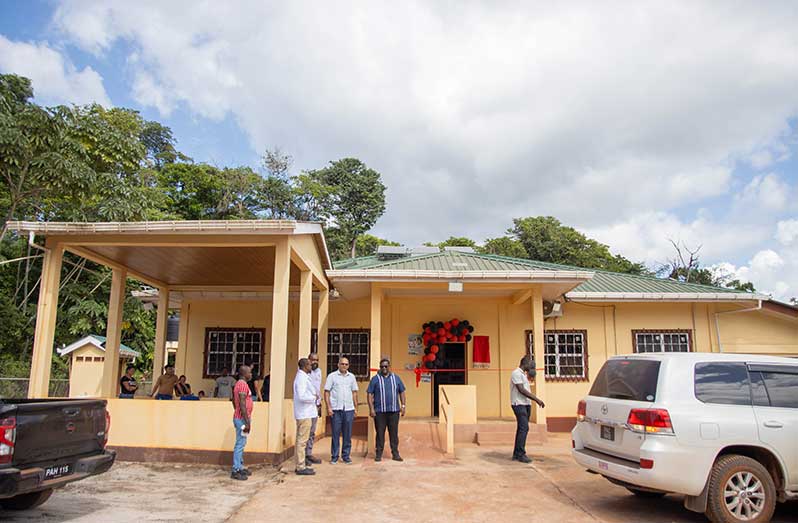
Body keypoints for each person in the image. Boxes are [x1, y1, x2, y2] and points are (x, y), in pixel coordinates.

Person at [367, 358, 407, 462]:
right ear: (380, 367)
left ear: (389, 367)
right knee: (380, 433)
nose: (384, 368)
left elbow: (402, 392)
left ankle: (395, 454)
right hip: (379, 412)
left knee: (393, 433)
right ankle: (379, 454)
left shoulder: (396, 378)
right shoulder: (375, 379)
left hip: (394, 412)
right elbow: (369, 394)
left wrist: (403, 406)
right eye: (382, 367)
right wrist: (371, 408)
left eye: (386, 366)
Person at [324, 357, 359, 464]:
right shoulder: (332, 376)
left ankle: (346, 456)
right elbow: (326, 392)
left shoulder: (351, 377)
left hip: (348, 409)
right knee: (335, 434)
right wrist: (329, 407)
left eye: (346, 364)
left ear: (348, 366)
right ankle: (334, 456)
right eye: (342, 364)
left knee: (347, 434)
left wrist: (356, 408)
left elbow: (354, 393)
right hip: (336, 410)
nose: (344, 366)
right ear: (338, 364)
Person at [510, 355, 545, 463]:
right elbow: (521, 390)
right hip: (518, 404)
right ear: (524, 363)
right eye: (530, 364)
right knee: (524, 428)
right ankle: (521, 454)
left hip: (525, 404)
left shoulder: (523, 375)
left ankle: (517, 453)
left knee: (522, 429)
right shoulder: (516, 373)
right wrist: (537, 399)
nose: (531, 366)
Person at [293, 358, 318, 476]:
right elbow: (302, 396)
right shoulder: (301, 378)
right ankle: (300, 466)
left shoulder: (304, 376)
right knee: (302, 441)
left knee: (302, 440)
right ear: (304, 366)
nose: (311, 365)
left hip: (307, 412)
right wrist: (313, 397)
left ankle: (300, 463)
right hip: (304, 413)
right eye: (309, 364)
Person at [231, 365, 253, 481]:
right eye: (249, 372)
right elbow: (242, 404)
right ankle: (236, 469)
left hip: (240, 417)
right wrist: (246, 421)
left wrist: (237, 411)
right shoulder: (242, 384)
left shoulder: (238, 384)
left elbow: (233, 401)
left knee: (242, 442)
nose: (251, 375)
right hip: (242, 419)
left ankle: (240, 466)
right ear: (244, 374)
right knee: (240, 444)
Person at [305, 353, 322, 465]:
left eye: (316, 360)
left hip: (315, 405)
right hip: (307, 406)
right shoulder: (304, 373)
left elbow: (317, 389)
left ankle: (309, 454)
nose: (314, 362)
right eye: (313, 360)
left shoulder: (318, 372)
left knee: (312, 432)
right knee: (305, 432)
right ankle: (303, 456)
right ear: (308, 360)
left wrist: (319, 404)